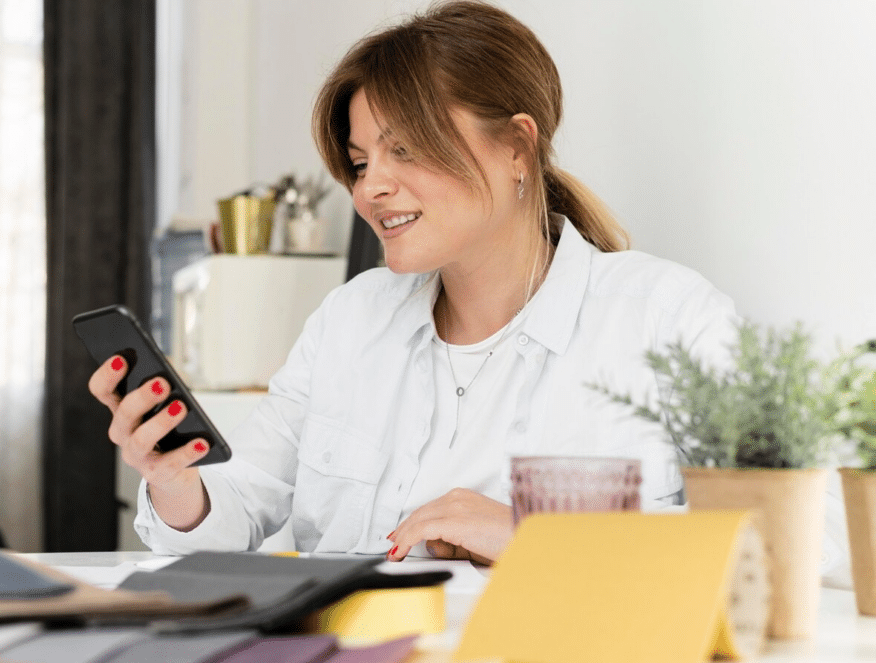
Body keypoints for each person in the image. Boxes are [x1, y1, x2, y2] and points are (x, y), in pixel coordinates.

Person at [88, 0, 738, 564]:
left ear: (517, 148)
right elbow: (238, 501)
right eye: (361, 160)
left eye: (405, 149)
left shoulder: (666, 318)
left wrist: (533, 534)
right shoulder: (351, 318)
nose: (371, 187)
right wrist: (173, 475)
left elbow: (803, 535)